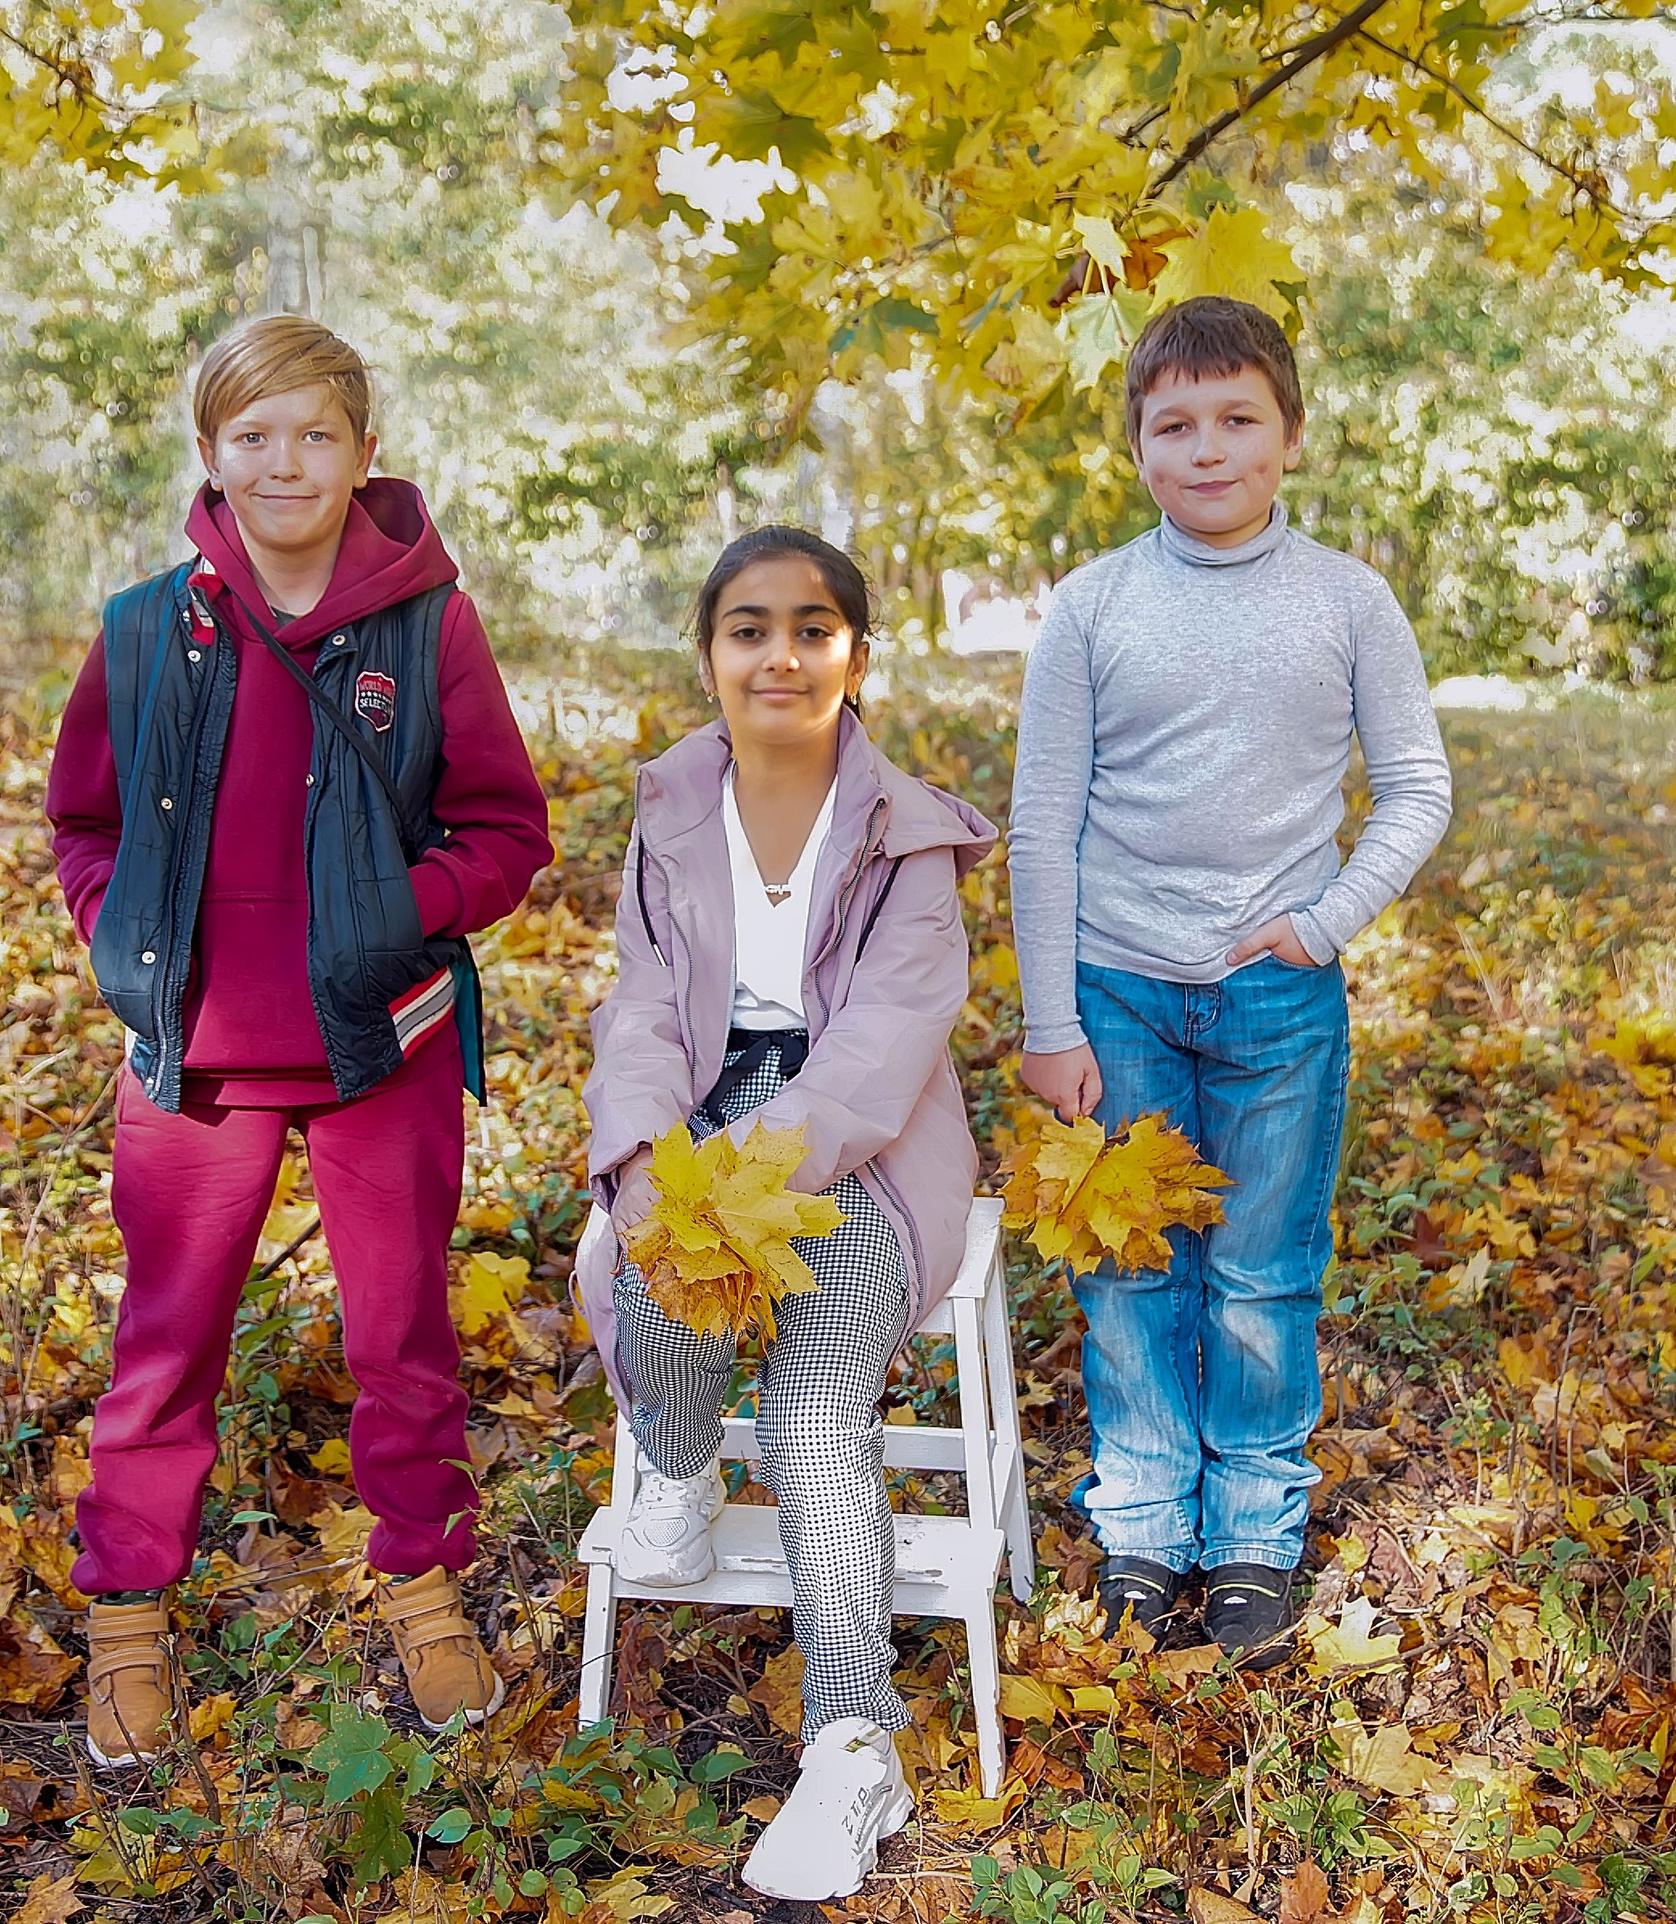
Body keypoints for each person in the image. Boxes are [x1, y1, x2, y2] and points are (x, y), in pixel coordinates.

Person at [46, 316, 553, 1763]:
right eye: (252, 436)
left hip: (376, 1046)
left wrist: (394, 910)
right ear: (209, 455)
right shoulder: (146, 628)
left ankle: (424, 1581)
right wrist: (116, 931)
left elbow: (509, 832)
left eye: (315, 434)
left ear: (362, 453)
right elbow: (83, 818)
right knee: (167, 1338)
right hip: (195, 1057)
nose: (285, 463)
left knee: (400, 1332)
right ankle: (130, 1607)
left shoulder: (426, 623)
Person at [1009, 296, 1452, 1663]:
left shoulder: (1347, 601)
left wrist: (1323, 924)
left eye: (1237, 419)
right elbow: (1044, 820)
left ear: (1291, 436)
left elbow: (1417, 789)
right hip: (1118, 992)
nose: (1208, 448)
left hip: (1277, 1002)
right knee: (1132, 1271)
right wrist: (1048, 1019)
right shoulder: (1091, 608)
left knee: (1262, 1274)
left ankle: (1256, 1528)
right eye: (1175, 424)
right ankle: (1145, 1521)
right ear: (1138, 447)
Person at [577, 527, 994, 1901]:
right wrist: (647, 1157)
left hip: (856, 1143)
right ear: (711, 654)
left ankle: (852, 1740)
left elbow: (882, 1048)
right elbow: (641, 1001)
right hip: (695, 1106)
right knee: (653, 1280)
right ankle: (680, 1460)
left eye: (815, 627)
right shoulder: (670, 809)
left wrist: (739, 1177)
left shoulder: (907, 833)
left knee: (818, 1403)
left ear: (856, 656)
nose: (781, 652)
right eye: (749, 627)